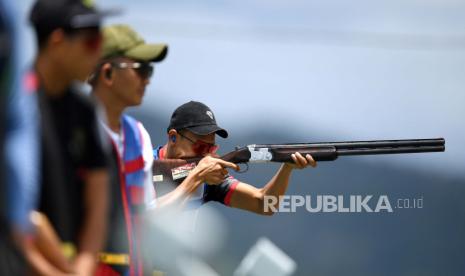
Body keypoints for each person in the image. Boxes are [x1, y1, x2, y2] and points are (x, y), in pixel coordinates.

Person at [90, 24, 237, 276]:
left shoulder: (136, 135)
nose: (147, 79)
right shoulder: (76, 130)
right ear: (107, 73)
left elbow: (146, 215)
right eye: (141, 69)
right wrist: (196, 178)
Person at [28, 0, 112, 274]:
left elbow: (98, 197)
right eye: (91, 42)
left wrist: (83, 267)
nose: (99, 52)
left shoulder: (85, 110)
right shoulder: (13, 105)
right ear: (57, 41)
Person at [153, 101, 316, 215]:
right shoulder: (143, 166)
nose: (206, 155)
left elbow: (264, 205)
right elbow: (144, 217)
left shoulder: (208, 177)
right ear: (173, 137)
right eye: (200, 147)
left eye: (211, 148)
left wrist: (287, 167)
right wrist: (196, 178)